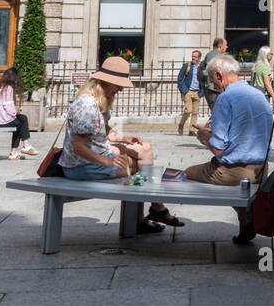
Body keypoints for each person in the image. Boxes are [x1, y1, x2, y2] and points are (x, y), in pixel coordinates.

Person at [59, 56, 182, 233]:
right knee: (142, 168)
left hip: (95, 155)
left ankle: (153, 210)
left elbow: (103, 132)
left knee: (145, 149)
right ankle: (146, 215)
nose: (121, 89)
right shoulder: (87, 105)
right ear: (105, 81)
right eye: (118, 84)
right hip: (81, 166)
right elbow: (78, 147)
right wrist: (107, 162)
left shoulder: (99, 100)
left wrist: (124, 138)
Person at [184, 53, 272, 244]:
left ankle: (158, 209)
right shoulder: (259, 95)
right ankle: (246, 223)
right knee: (237, 189)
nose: (214, 85)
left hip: (234, 171)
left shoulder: (226, 98)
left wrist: (203, 136)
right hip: (261, 170)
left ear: (218, 75)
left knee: (187, 173)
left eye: (212, 79)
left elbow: (218, 149)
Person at [0, 67, 39, 159]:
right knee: (22, 120)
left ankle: (20, 149)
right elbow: (8, 107)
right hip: (0, 121)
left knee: (20, 121)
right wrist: (16, 111)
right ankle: (23, 147)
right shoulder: (8, 88)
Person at [176, 49, 204, 136]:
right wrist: (184, 90)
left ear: (199, 58)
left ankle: (191, 130)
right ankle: (181, 125)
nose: (193, 58)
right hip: (188, 91)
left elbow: (205, 81)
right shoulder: (187, 66)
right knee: (188, 110)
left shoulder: (202, 67)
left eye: (195, 57)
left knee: (195, 112)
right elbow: (180, 79)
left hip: (197, 93)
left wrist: (201, 93)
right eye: (192, 56)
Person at [202, 37, 228, 112]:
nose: (227, 46)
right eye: (225, 45)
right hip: (214, 89)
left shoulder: (212, 54)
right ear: (220, 46)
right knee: (217, 112)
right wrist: (220, 85)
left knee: (217, 112)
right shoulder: (215, 55)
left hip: (214, 88)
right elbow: (212, 71)